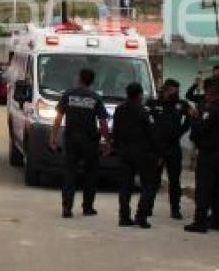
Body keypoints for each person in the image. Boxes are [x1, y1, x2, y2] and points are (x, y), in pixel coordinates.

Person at [48, 68, 110, 218]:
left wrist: (53, 137)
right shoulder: (95, 98)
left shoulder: (68, 95)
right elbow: (102, 122)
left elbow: (58, 118)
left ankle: (67, 208)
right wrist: (107, 141)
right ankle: (88, 207)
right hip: (90, 142)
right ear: (92, 81)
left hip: (71, 140)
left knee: (70, 173)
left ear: (79, 78)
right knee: (90, 174)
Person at [185, 81, 219, 233]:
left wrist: (193, 117)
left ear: (210, 95)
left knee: (204, 189)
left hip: (209, 153)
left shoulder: (210, 109)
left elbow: (200, 129)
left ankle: (200, 222)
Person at [112, 82, 159, 229]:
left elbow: (116, 131)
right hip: (142, 153)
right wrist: (156, 153)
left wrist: (117, 147)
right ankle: (141, 216)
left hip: (124, 151)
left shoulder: (119, 109)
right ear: (139, 95)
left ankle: (124, 217)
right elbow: (151, 134)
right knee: (148, 185)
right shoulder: (144, 112)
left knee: (125, 185)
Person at [147, 78, 191, 219]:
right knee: (153, 179)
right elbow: (146, 120)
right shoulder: (153, 103)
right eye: (173, 90)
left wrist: (181, 132)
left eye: (177, 90)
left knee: (174, 180)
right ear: (166, 89)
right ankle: (147, 207)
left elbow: (190, 118)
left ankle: (175, 209)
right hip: (157, 148)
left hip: (173, 148)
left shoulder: (181, 104)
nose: (176, 93)